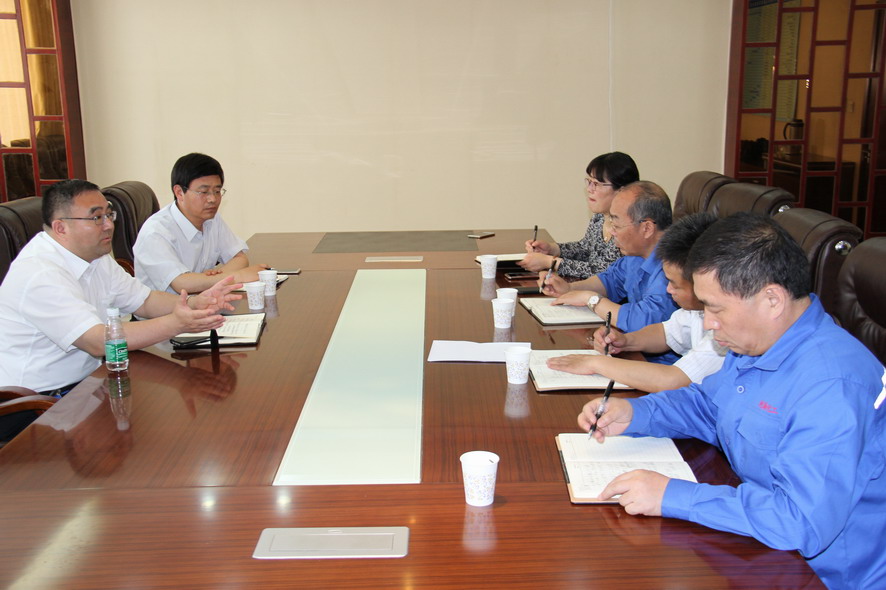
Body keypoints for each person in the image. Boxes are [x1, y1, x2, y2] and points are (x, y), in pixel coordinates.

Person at [578, 212, 886, 589]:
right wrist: (636, 413)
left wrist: (673, 495)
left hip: (824, 575)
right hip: (759, 546)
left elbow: (800, 521)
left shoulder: (831, 385)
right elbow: (708, 406)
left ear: (771, 299)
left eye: (715, 308)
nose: (708, 323)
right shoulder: (756, 344)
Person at [0, 179, 240, 394]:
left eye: (109, 215)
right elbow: (97, 341)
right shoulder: (40, 273)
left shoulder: (95, 256)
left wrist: (195, 303)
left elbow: (144, 301)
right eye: (96, 218)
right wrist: (177, 323)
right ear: (61, 228)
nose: (108, 225)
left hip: (90, 383)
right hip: (37, 401)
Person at [547, 212, 727, 391]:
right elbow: (666, 333)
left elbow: (673, 380)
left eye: (674, 284)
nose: (668, 289)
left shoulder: (725, 329)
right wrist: (626, 340)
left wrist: (595, 363)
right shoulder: (695, 310)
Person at [541, 181, 678, 362]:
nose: (612, 232)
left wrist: (591, 299)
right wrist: (570, 288)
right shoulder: (636, 254)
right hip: (628, 349)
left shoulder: (673, 268)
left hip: (660, 365)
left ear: (647, 228)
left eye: (617, 225)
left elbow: (642, 321)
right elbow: (609, 280)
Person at [134, 152, 268, 293]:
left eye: (217, 191)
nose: (213, 199)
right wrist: (236, 277)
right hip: (168, 306)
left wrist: (212, 278)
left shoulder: (212, 219)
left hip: (201, 301)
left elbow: (239, 258)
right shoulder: (155, 232)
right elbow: (181, 283)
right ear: (179, 192)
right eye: (204, 192)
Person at [518, 151, 638, 279]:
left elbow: (605, 273)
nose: (589, 189)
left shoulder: (631, 226)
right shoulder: (599, 217)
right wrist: (552, 249)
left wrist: (551, 262)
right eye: (589, 182)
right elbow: (585, 249)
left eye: (596, 184)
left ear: (621, 190)